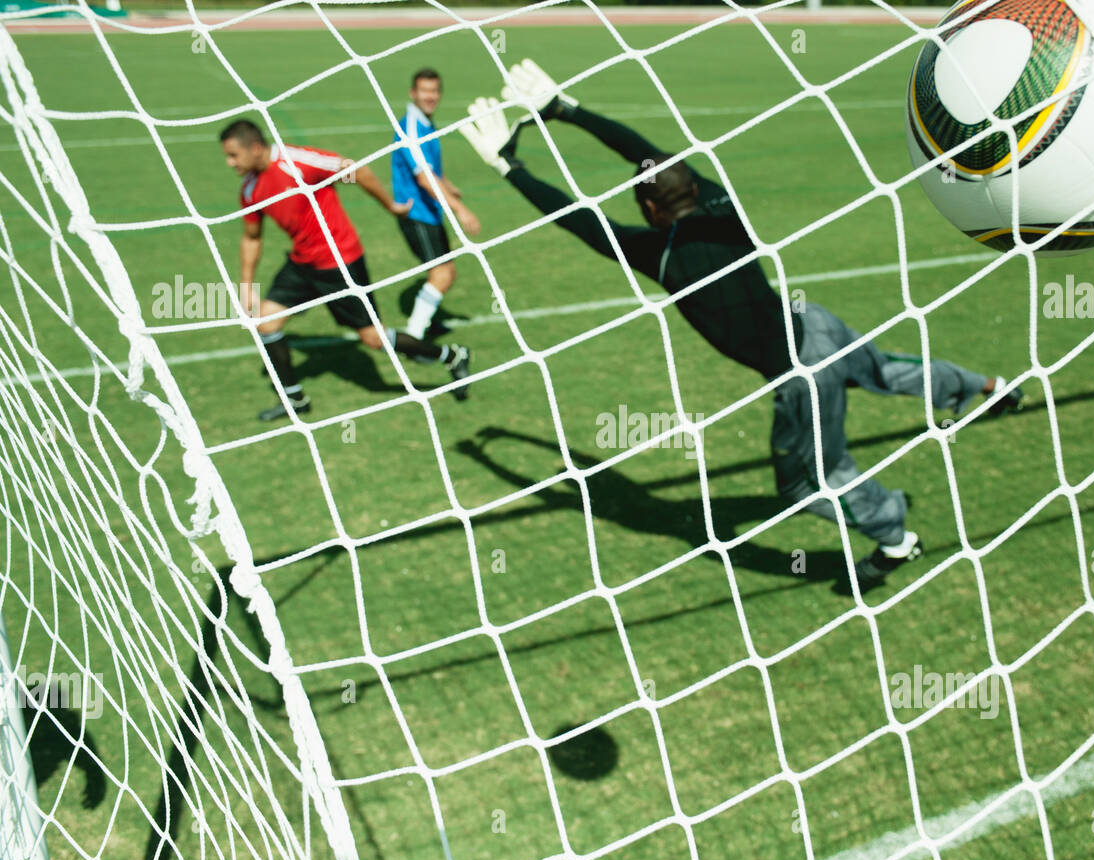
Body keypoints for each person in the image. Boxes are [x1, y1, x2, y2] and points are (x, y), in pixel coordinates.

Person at [459, 61, 1024, 589]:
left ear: (651, 210)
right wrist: (565, 109)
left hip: (800, 374)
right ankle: (987, 388)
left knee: (808, 483)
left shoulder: (657, 255)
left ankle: (895, 537)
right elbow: (648, 156)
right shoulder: (725, 212)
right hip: (814, 323)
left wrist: (511, 164)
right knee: (891, 369)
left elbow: (576, 217)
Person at [220, 119, 471, 422]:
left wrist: (389, 205)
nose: (229, 162)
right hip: (301, 264)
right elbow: (252, 237)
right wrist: (246, 285)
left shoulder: (297, 162)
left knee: (374, 340)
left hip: (340, 263)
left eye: (234, 155)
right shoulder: (250, 189)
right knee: (266, 323)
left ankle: (453, 356)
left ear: (256, 147)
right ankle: (295, 400)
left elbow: (355, 170)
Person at [392, 68, 481, 339]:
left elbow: (429, 170)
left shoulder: (425, 122)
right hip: (416, 213)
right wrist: (460, 209)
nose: (430, 96)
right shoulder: (412, 127)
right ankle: (415, 337)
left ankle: (424, 325)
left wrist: (449, 186)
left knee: (446, 272)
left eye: (434, 91)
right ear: (413, 93)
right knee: (442, 275)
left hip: (429, 211)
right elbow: (425, 179)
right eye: (424, 91)